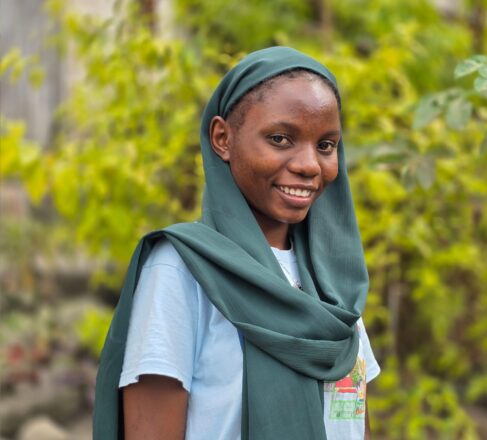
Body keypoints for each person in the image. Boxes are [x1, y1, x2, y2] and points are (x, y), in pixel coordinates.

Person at [93, 46, 380, 440]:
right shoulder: (181, 271)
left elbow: (352, 425)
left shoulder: (335, 287)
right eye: (280, 139)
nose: (310, 165)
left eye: (326, 146)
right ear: (222, 138)